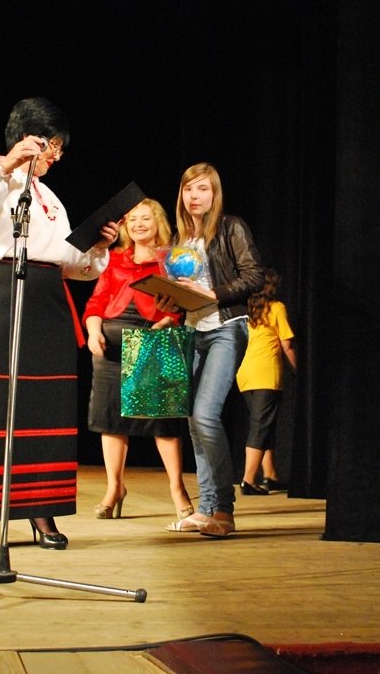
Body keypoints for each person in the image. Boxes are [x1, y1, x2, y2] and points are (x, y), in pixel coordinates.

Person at [0, 97, 119, 552]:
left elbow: (71, 262)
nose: (56, 155)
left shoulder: (50, 199)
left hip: (45, 297)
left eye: (59, 148)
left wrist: (97, 246)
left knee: (43, 402)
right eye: (52, 145)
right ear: (28, 139)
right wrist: (5, 166)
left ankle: (41, 507)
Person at [159, 162, 264, 538]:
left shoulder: (231, 227)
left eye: (202, 189)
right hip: (193, 330)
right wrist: (168, 298)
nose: (194, 196)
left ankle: (224, 509)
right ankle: (205, 509)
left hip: (226, 328)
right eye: (188, 189)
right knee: (193, 419)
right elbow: (182, 290)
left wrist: (212, 293)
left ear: (214, 194)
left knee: (205, 415)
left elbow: (254, 275)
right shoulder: (181, 239)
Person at [82, 198, 194, 521]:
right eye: (132, 220)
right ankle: (114, 488)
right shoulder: (115, 260)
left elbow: (183, 305)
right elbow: (96, 303)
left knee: (163, 422)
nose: (138, 224)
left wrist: (165, 323)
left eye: (145, 218)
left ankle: (178, 490)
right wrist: (93, 331)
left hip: (153, 342)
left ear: (158, 222)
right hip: (111, 348)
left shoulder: (172, 261)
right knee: (110, 421)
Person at [235, 268, 298, 495]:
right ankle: (249, 480)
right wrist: (299, 370)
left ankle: (270, 475)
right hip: (266, 373)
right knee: (261, 427)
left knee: (264, 424)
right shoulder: (277, 308)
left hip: (245, 374)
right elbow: (287, 344)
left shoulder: (250, 311)